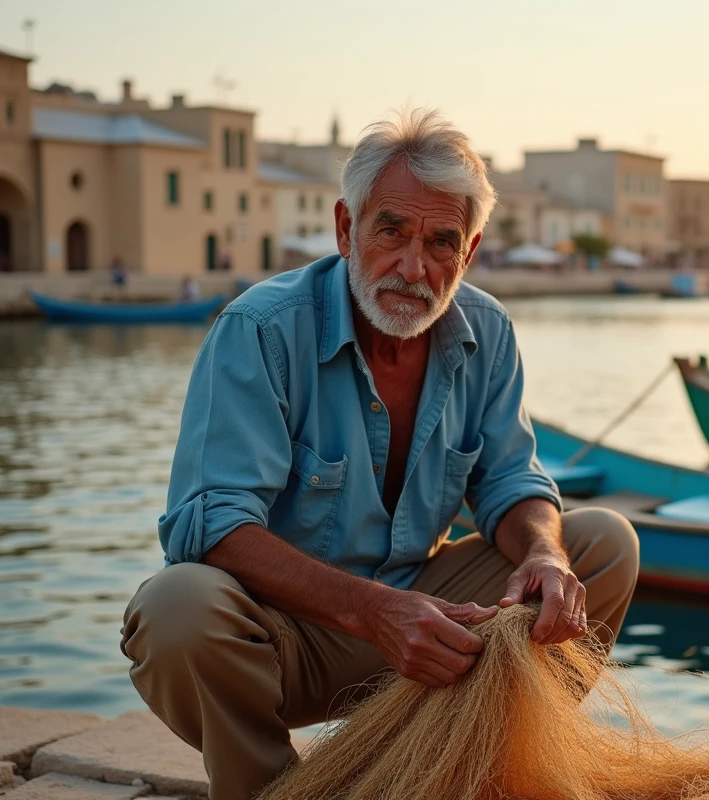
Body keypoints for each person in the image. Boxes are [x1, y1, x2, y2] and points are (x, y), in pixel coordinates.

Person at [119, 109, 640, 800]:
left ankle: (454, 768)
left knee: (600, 544)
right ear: (346, 228)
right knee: (176, 607)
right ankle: (270, 789)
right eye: (391, 230)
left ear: (471, 249)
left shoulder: (486, 329)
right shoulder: (262, 328)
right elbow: (207, 521)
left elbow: (511, 480)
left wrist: (544, 555)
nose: (412, 267)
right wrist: (372, 613)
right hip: (282, 640)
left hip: (432, 629)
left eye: (441, 242)